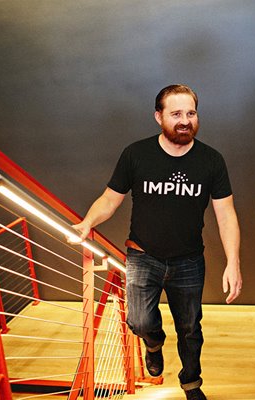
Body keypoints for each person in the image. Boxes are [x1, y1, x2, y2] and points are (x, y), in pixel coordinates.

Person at [71, 84, 242, 400]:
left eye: (191, 113)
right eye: (176, 113)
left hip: (189, 260)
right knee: (139, 321)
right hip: (142, 256)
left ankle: (191, 382)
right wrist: (87, 222)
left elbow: (226, 214)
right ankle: (153, 342)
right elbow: (110, 200)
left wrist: (233, 262)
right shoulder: (136, 154)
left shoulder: (211, 160)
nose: (185, 120)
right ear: (158, 116)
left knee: (190, 328)